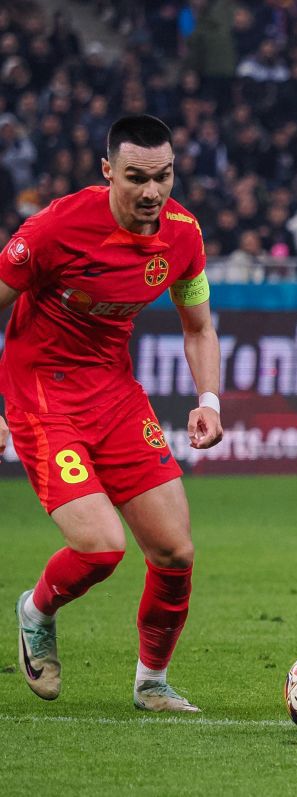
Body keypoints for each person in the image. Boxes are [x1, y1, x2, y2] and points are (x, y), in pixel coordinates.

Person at [0, 114, 223, 712]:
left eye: (163, 176)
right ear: (108, 172)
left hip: (114, 393)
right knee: (101, 547)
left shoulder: (183, 235)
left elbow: (198, 327)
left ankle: (152, 683)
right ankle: (36, 611)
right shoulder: (55, 229)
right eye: (136, 178)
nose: (152, 191)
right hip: (41, 394)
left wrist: (208, 400)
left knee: (175, 553)